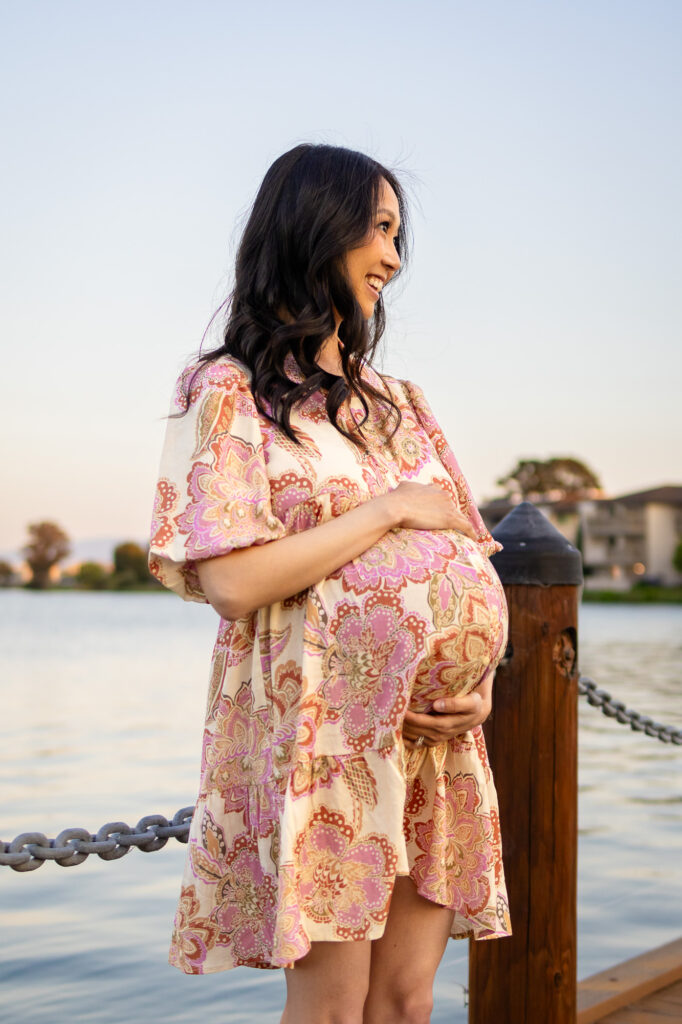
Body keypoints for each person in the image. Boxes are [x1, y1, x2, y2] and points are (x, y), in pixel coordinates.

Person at [149, 143, 511, 1024]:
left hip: (433, 740)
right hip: (325, 734)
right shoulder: (228, 391)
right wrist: (385, 510)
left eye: (398, 233)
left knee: (405, 999)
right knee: (334, 1008)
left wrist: (481, 688)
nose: (394, 256)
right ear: (315, 225)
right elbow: (233, 580)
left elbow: (465, 561)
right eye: (378, 229)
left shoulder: (401, 401)